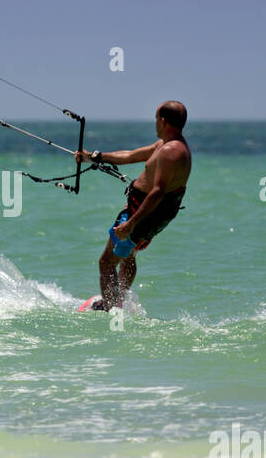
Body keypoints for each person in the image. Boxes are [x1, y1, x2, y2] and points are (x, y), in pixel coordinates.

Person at [75, 100, 191, 310]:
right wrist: (94, 157)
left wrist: (130, 224)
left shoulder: (170, 152)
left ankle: (110, 310)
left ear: (163, 121)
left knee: (106, 262)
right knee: (129, 254)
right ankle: (117, 301)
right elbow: (129, 156)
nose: (155, 122)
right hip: (148, 213)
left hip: (143, 214)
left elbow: (158, 191)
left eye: (156, 119)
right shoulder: (167, 144)